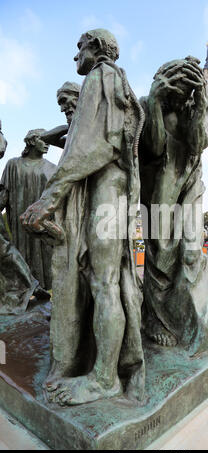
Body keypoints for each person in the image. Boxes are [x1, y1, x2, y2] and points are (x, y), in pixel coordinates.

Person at [21, 29, 145, 406]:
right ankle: (104, 367)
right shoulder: (117, 81)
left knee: (105, 284)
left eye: (80, 48)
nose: (76, 56)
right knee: (105, 281)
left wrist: (50, 196)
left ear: (96, 48)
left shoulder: (101, 75)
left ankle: (105, 379)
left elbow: (92, 143)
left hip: (107, 188)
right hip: (113, 190)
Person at [139, 57, 208, 355]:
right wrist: (155, 101)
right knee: (160, 252)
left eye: (185, 88)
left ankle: (207, 283)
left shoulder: (194, 107)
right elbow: (155, 145)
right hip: (159, 188)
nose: (180, 93)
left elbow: (199, 141)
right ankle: (155, 319)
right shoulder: (149, 104)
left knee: (189, 248)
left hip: (188, 185)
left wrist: (200, 99)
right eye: (176, 86)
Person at [0, 129, 56, 290]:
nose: (47, 144)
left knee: (45, 263)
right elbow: (4, 194)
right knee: (21, 259)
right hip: (20, 225)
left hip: (43, 224)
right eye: (44, 140)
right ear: (31, 141)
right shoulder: (13, 164)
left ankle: (44, 296)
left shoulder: (52, 168)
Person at [41, 81, 81, 149]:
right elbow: (45, 138)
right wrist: (72, 125)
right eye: (60, 104)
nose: (62, 109)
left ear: (79, 96)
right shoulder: (75, 139)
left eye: (64, 100)